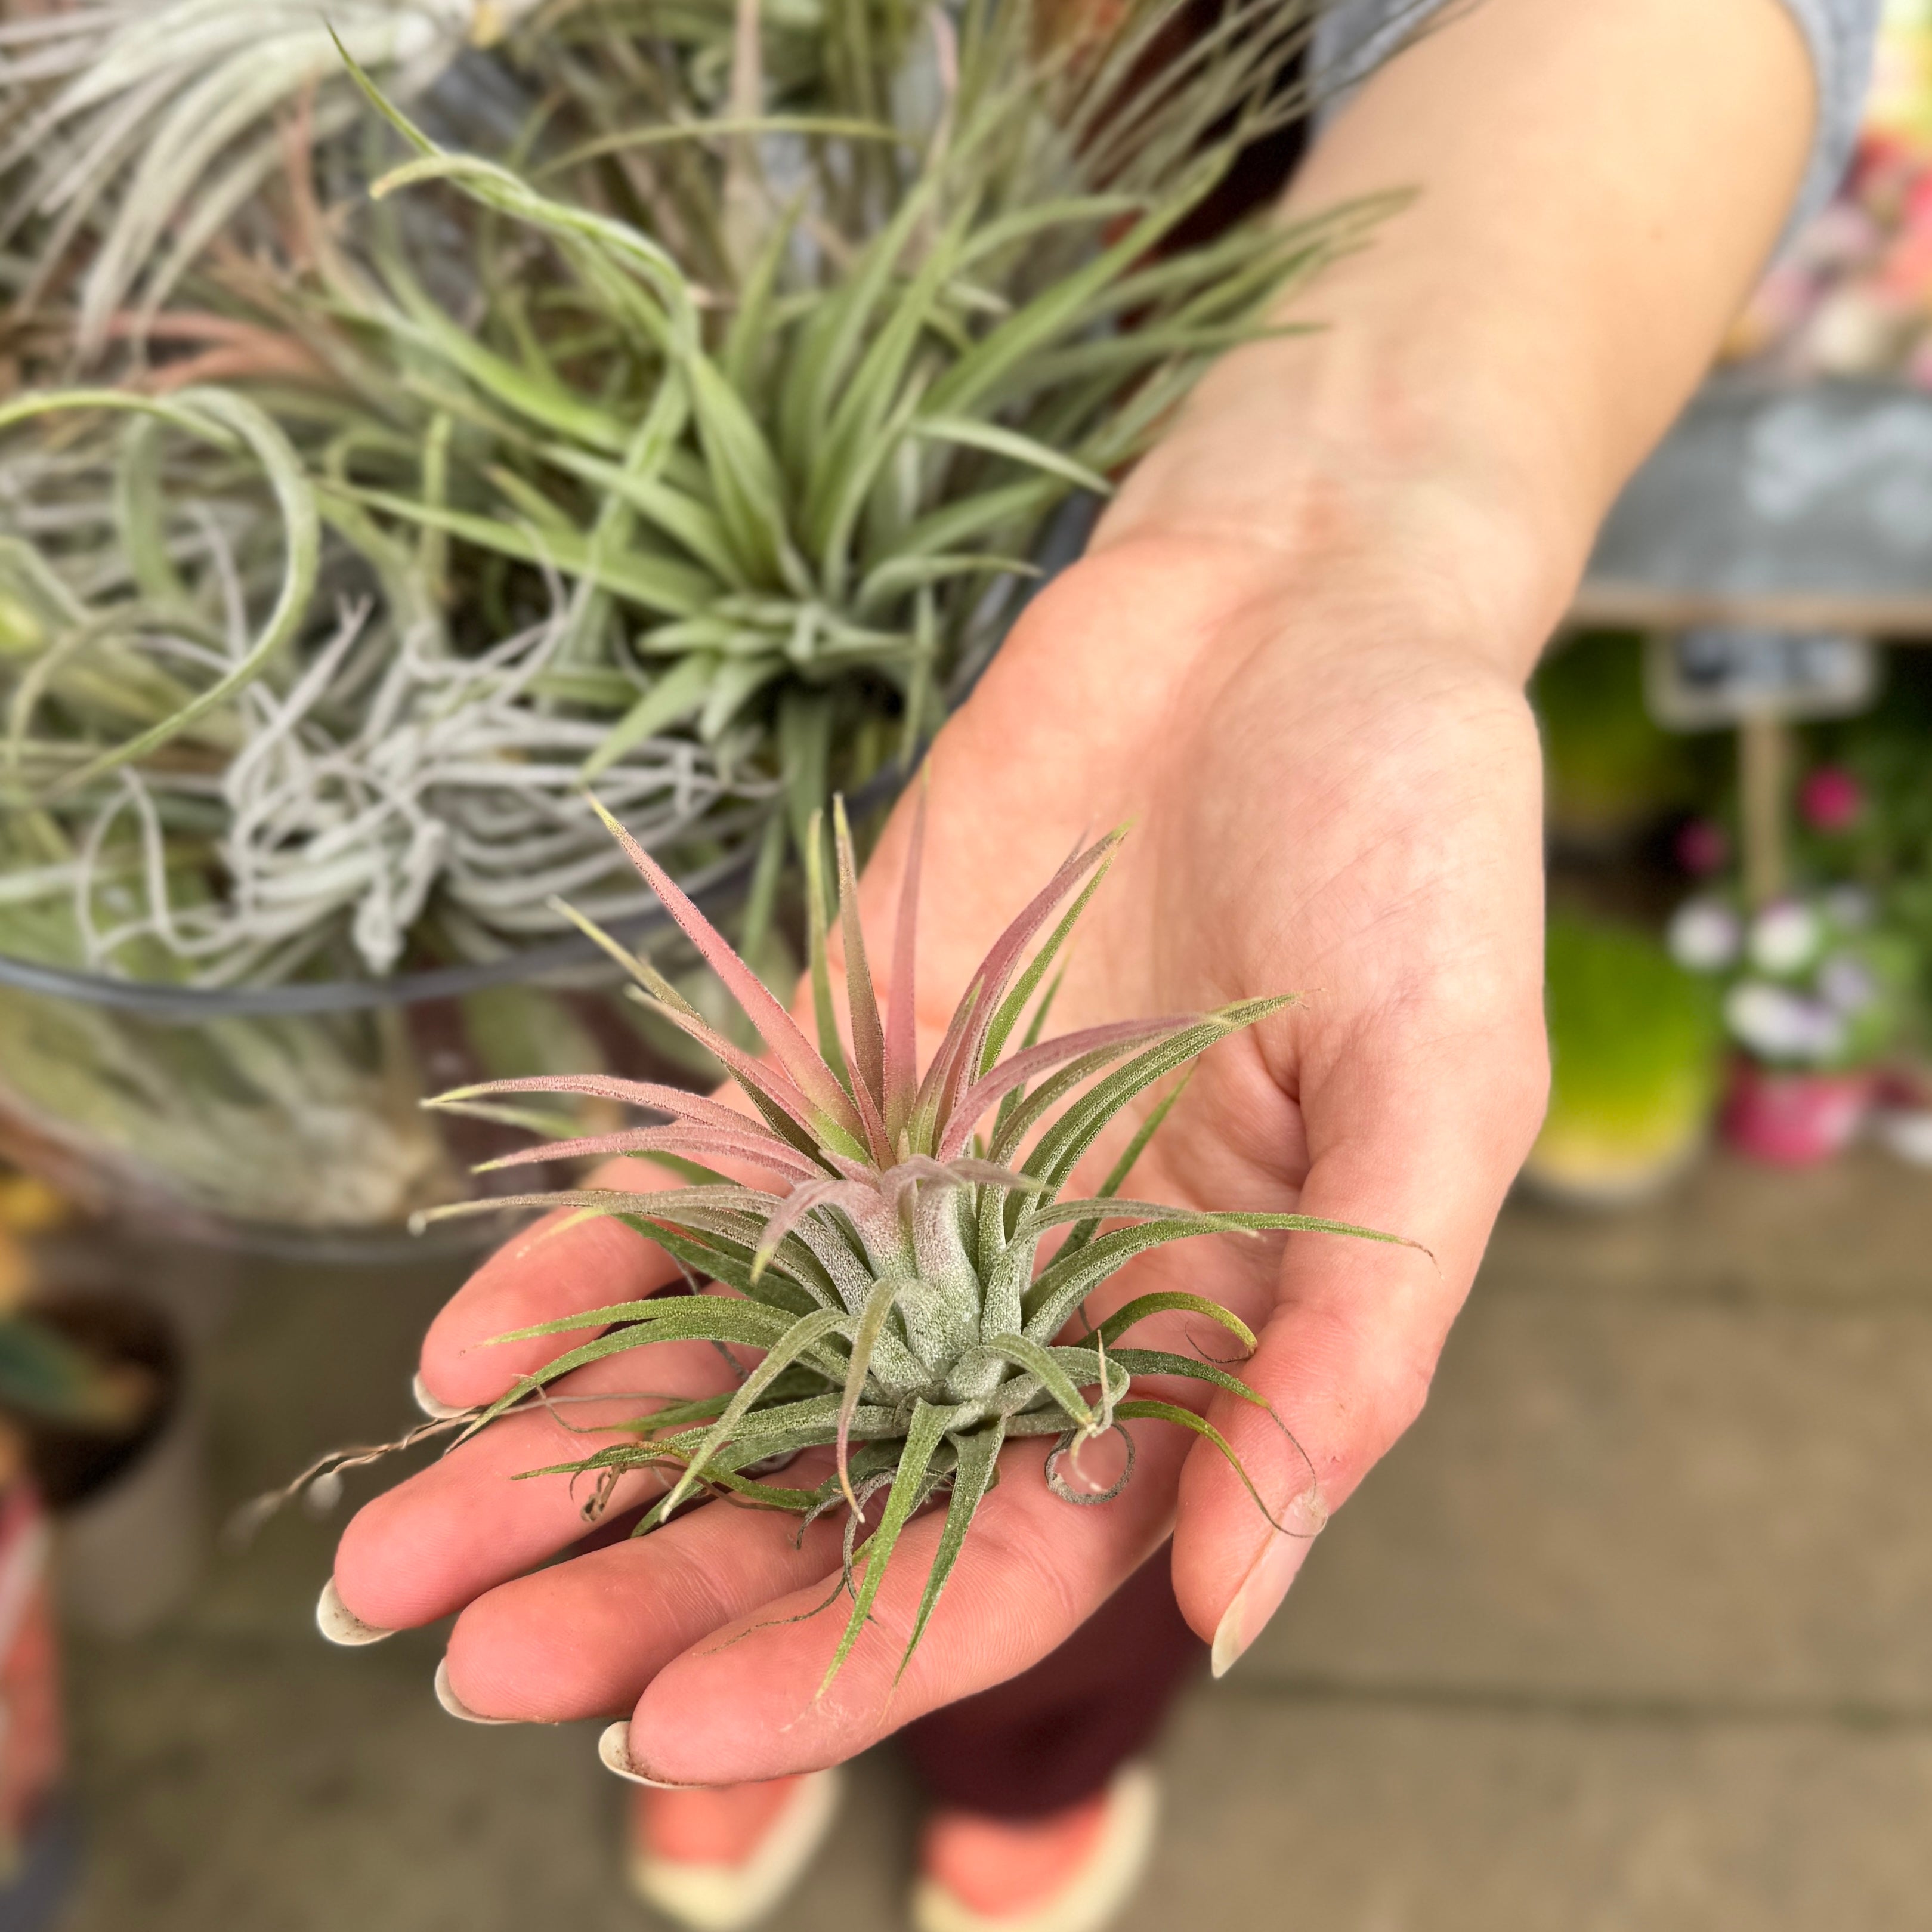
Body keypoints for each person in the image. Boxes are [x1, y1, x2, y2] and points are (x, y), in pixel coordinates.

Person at [322, 2, 1877, 1927]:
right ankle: (764, 1695)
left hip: (1161, 363)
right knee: (652, 1224)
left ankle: (1027, 1765)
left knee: (1137, 1406)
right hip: (537, 600)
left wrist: (1336, 540)